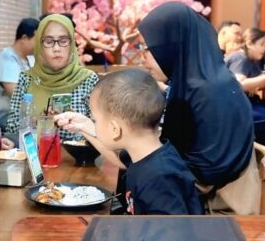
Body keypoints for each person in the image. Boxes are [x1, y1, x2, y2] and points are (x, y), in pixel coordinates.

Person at [137, 1, 259, 215]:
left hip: (218, 209)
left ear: (174, 44)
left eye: (150, 47)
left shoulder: (210, 92)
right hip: (208, 192)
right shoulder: (199, 79)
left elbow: (208, 172)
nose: (144, 57)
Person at [55, 69, 204, 215]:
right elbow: (119, 159)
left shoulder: (159, 179)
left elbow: (171, 236)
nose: (95, 124)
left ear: (114, 129)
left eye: (96, 120)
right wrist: (84, 126)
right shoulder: (148, 155)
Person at [5, 13, 98, 141]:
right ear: (40, 46)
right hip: (34, 157)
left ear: (72, 44)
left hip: (78, 159)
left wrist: (75, 122)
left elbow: (100, 131)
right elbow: (12, 129)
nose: (56, 48)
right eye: (48, 42)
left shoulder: (88, 79)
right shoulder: (27, 78)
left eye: (63, 41)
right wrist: (40, 120)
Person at [225, 28, 265, 148]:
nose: (264, 48)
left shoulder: (250, 59)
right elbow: (239, 85)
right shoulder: (240, 58)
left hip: (241, 103)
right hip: (232, 108)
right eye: (262, 45)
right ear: (250, 44)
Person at [0, 18, 39, 128]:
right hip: (4, 114)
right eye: (37, 40)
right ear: (24, 38)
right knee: (39, 128)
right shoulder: (7, 58)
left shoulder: (29, 59)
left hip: (24, 113)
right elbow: (16, 94)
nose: (40, 44)